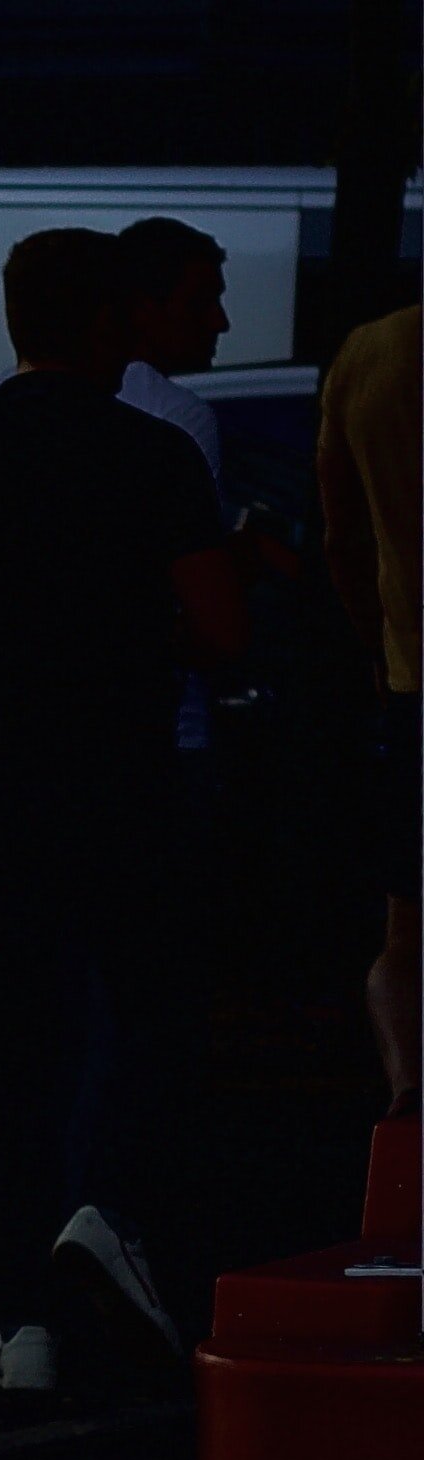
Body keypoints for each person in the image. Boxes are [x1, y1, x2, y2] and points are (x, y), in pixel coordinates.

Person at [0, 227, 245, 1392]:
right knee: (143, 1016)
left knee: (10, 1043)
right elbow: (225, 630)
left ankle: (19, 1320)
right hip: (123, 782)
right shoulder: (152, 456)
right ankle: (109, 1214)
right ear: (109, 324)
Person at [315, 294, 421, 1115]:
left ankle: (410, 1091)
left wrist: (377, 643)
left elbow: (339, 532)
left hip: (412, 680)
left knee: (407, 938)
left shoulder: (370, 353)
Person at [116, 216, 232, 779]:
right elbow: (200, 605)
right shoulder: (180, 415)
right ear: (144, 306)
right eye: (201, 302)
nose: (220, 323)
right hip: (169, 729)